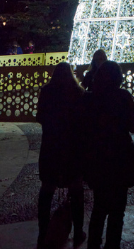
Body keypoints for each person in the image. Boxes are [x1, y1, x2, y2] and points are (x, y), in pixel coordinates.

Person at [83, 61, 134, 249]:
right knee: (117, 210)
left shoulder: (90, 98)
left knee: (99, 208)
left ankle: (93, 245)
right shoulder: (122, 97)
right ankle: (112, 245)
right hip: (120, 158)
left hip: (98, 158)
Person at [36, 62, 86, 248]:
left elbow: (40, 117)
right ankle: (79, 230)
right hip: (72, 148)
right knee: (76, 190)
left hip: (51, 147)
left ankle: (43, 231)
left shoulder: (47, 91)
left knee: (47, 190)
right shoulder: (78, 93)